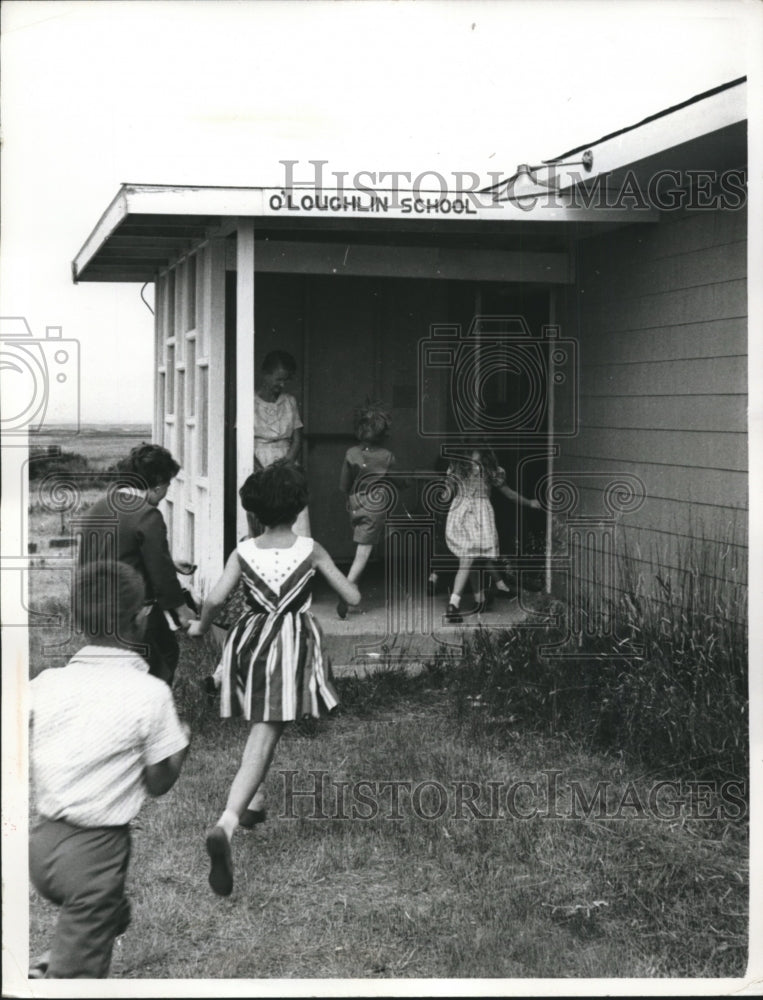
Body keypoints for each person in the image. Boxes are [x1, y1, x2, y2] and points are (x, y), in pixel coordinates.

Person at [188, 460, 359, 896]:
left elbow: (214, 598)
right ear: (299, 506)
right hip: (289, 646)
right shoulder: (312, 549)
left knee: (260, 725)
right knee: (265, 734)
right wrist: (345, 587)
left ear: (257, 510)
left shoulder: (244, 550)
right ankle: (226, 825)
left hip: (250, 643)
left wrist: (201, 627)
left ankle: (254, 804)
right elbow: (352, 595)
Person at [28, 561, 190, 979]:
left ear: (78, 622)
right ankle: (60, 971)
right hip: (96, 855)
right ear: (141, 619)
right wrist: (178, 751)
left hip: (43, 844)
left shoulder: (47, 682)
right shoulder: (151, 694)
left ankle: (79, 940)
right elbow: (158, 784)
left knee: (103, 910)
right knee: (80, 978)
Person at [77, 443, 193, 686]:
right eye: (168, 486)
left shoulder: (99, 506)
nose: (165, 494)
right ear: (159, 483)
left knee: (114, 663)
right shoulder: (147, 514)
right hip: (133, 608)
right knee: (163, 656)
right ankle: (150, 711)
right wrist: (181, 610)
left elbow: (117, 550)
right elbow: (159, 572)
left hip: (95, 606)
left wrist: (172, 564)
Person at [444, 446, 541, 623]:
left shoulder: (468, 466)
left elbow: (447, 494)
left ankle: (479, 599)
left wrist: (529, 503)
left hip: (468, 514)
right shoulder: (476, 467)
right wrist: (529, 503)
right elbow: (509, 494)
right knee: (469, 558)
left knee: (471, 558)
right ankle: (453, 604)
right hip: (472, 515)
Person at [336, 400, 395, 619]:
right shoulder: (387, 456)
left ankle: (352, 596)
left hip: (355, 503)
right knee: (364, 553)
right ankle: (347, 590)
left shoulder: (351, 453)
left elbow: (344, 484)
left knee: (361, 549)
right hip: (375, 505)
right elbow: (391, 480)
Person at [254, 349, 310, 536]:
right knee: (265, 511)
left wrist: (289, 460)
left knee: (294, 511)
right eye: (278, 379)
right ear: (265, 374)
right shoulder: (249, 402)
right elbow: (242, 440)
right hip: (259, 463)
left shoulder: (289, 401)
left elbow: (297, 436)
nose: (282, 384)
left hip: (287, 461)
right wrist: (261, 471)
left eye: (285, 380)